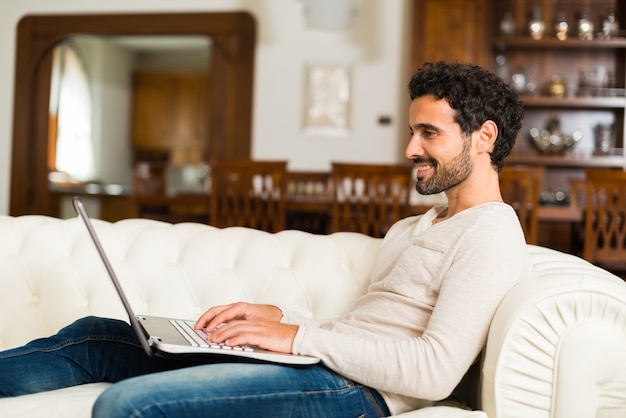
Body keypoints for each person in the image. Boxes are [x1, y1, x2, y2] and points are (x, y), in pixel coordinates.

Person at [0, 61, 529, 417]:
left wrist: (296, 339)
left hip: (357, 392)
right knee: (95, 335)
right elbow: (368, 329)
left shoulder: (491, 232)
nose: (411, 148)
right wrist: (279, 322)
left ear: (484, 136)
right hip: (325, 362)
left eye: (429, 133)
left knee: (128, 404)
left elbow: (433, 371)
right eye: (412, 131)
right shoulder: (413, 226)